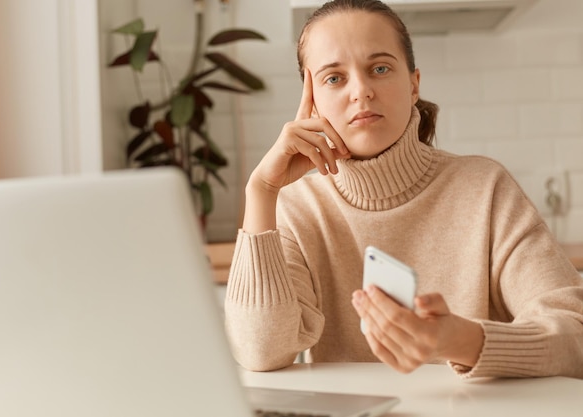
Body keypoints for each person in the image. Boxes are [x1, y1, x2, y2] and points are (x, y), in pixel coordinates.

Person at [224, 0, 583, 379]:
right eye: (334, 78)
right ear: (310, 103)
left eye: (380, 69)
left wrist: (459, 340)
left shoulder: (485, 189)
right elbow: (260, 352)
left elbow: (574, 336)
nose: (361, 91)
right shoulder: (297, 209)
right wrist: (261, 190)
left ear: (413, 85)